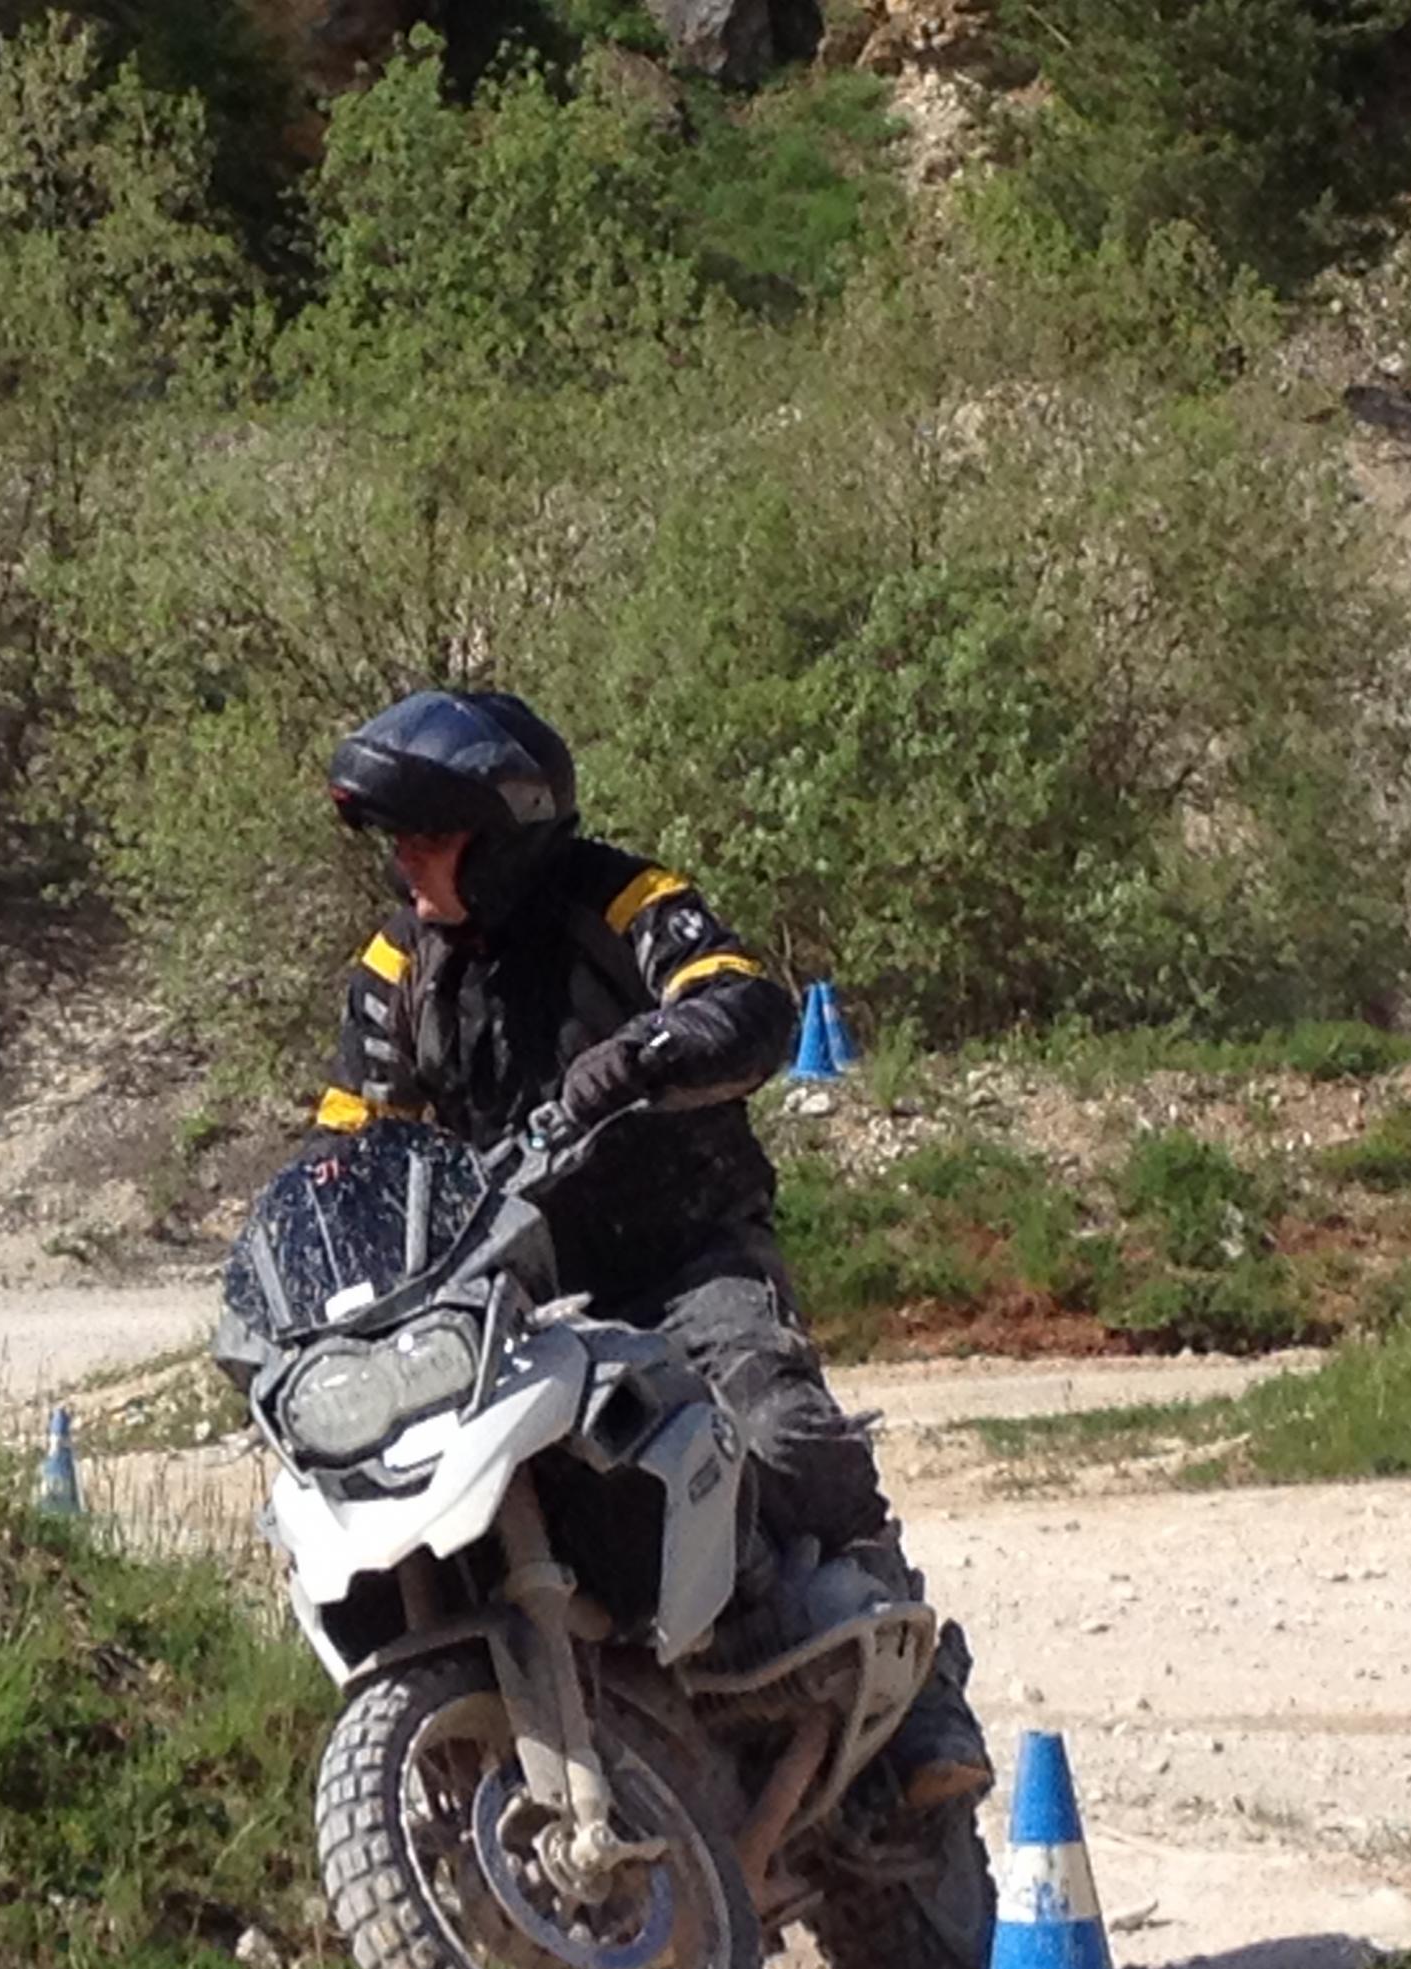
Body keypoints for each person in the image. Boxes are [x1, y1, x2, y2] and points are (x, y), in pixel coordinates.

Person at [312, 687, 991, 1818]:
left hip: (681, 1259)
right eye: (397, 839)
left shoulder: (623, 899)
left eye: (429, 836)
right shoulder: (396, 967)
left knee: (774, 1421)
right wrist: (321, 1220)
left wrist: (645, 1052)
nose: (406, 862)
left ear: (507, 832)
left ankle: (920, 1689)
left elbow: (742, 998)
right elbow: (352, 1138)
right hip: (511, 1297)